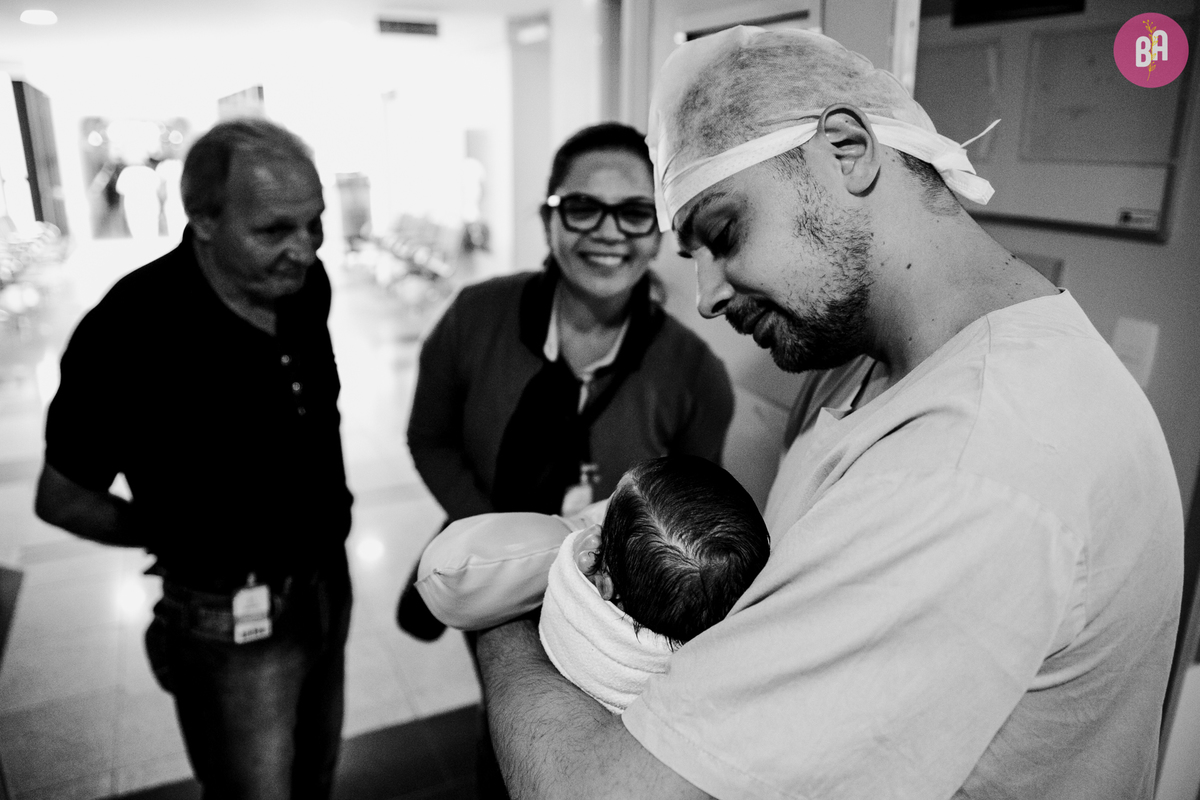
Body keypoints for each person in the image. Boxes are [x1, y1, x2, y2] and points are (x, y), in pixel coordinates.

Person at [473, 26, 1184, 800]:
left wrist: (503, 605)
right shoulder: (859, 361)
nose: (706, 296)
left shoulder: (977, 466)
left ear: (846, 149)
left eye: (724, 232)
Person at [404, 121, 735, 796]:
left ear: (659, 228)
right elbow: (429, 437)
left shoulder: (694, 373)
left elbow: (688, 516)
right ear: (547, 216)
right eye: (582, 207)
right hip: (498, 585)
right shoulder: (477, 316)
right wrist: (504, 542)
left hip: (612, 626)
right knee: (500, 734)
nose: (609, 232)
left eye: (635, 212)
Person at [34, 118, 353, 799]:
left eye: (315, 223)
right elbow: (61, 497)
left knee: (318, 774)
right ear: (203, 220)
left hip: (328, 580)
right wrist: (180, 535)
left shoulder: (304, 287)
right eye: (274, 230)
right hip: (227, 616)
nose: (304, 249)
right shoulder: (129, 331)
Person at [415, 456, 770, 713]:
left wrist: (574, 530)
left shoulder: (573, 598)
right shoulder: (721, 654)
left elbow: (453, 569)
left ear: (603, 582)